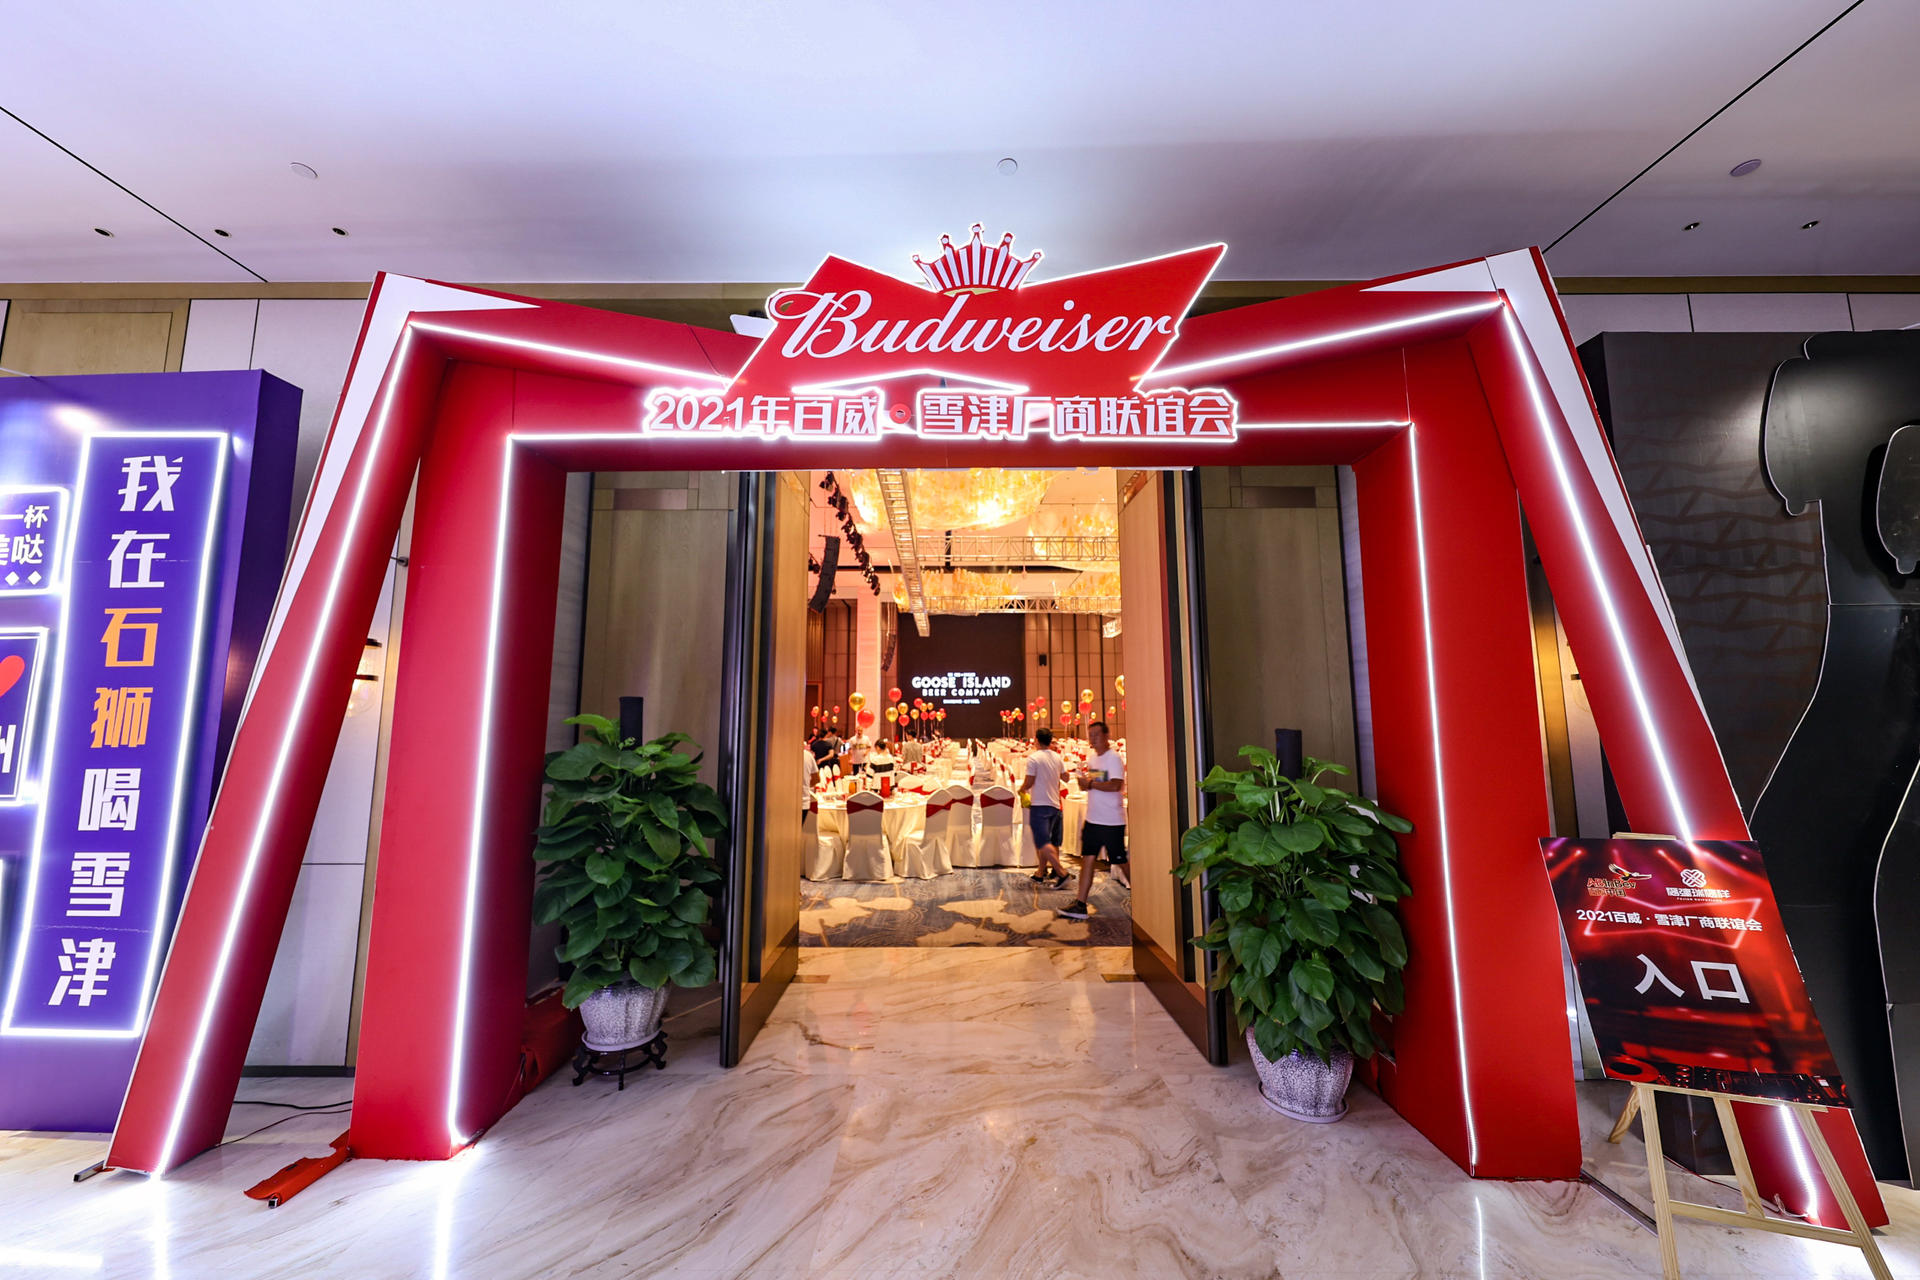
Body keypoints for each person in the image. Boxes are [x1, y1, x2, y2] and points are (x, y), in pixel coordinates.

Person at [1059, 721, 1127, 920]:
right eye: (1090, 735)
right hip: (1093, 819)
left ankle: (1143, 897)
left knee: (1120, 861)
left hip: (1111, 821)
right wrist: (1084, 783)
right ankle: (1080, 904)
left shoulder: (1113, 758)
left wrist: (1090, 784)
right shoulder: (1092, 758)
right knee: (1087, 860)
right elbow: (1094, 783)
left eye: (1097, 734)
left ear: (1106, 736)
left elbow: (1116, 785)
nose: (1093, 738)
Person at [1019, 728, 1070, 888]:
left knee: (1042, 841)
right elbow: (1066, 777)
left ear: (1036, 740)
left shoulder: (1033, 758)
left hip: (1040, 805)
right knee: (1051, 841)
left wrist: (1021, 789)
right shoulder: (1057, 757)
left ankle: (1062, 873)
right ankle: (1040, 873)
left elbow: (1029, 782)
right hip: (1055, 804)